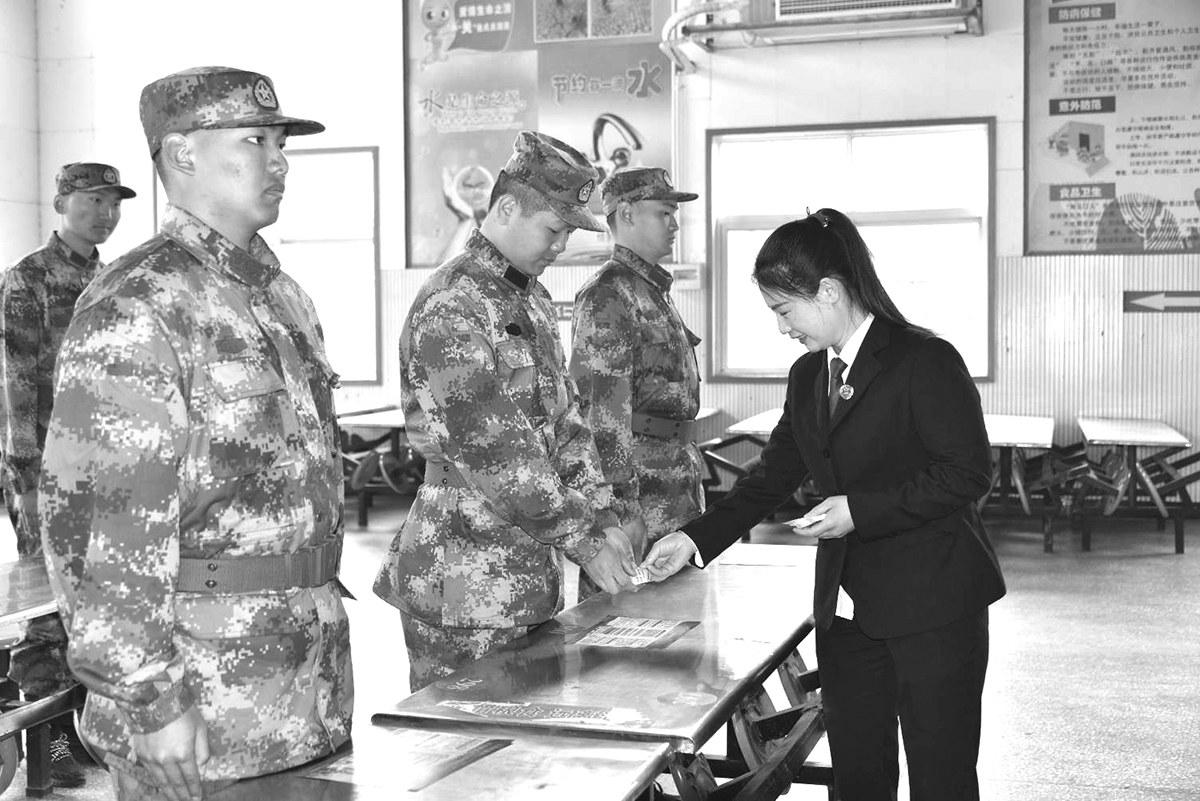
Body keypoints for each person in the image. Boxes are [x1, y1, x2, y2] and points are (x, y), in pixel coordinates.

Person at [38, 66, 351, 801]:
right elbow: (95, 521)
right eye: (254, 141)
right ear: (182, 154)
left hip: (308, 679)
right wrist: (148, 693)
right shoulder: (139, 302)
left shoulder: (283, 299)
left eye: (280, 144)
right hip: (199, 699)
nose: (278, 161)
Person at [642, 208, 1006, 801]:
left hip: (934, 607)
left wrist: (858, 511)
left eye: (785, 310)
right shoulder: (809, 375)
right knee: (858, 776)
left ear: (830, 291)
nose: (781, 327)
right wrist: (693, 538)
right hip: (848, 612)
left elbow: (966, 473)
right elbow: (771, 476)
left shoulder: (924, 360)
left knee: (941, 776)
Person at [374, 130, 640, 692]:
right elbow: (497, 455)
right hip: (462, 583)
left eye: (569, 232)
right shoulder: (453, 304)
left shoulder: (530, 299)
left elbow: (567, 426)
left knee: (529, 733)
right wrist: (588, 541)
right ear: (506, 208)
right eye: (553, 228)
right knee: (469, 738)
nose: (561, 245)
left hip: (527, 571)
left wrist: (605, 516)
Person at [0, 161, 136, 788]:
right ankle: (49, 750)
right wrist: (25, 480)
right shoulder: (27, 280)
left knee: (98, 608)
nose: (105, 213)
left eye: (113, 202)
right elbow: (15, 386)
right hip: (48, 474)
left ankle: (83, 734)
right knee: (49, 616)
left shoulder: (114, 279)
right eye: (92, 200)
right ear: (61, 203)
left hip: (110, 471)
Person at [568, 166, 702, 594]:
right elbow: (599, 417)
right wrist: (620, 511)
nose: (674, 224)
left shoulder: (650, 290)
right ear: (626, 214)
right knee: (625, 624)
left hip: (674, 488)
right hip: (641, 500)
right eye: (664, 213)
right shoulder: (608, 295)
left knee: (679, 619)